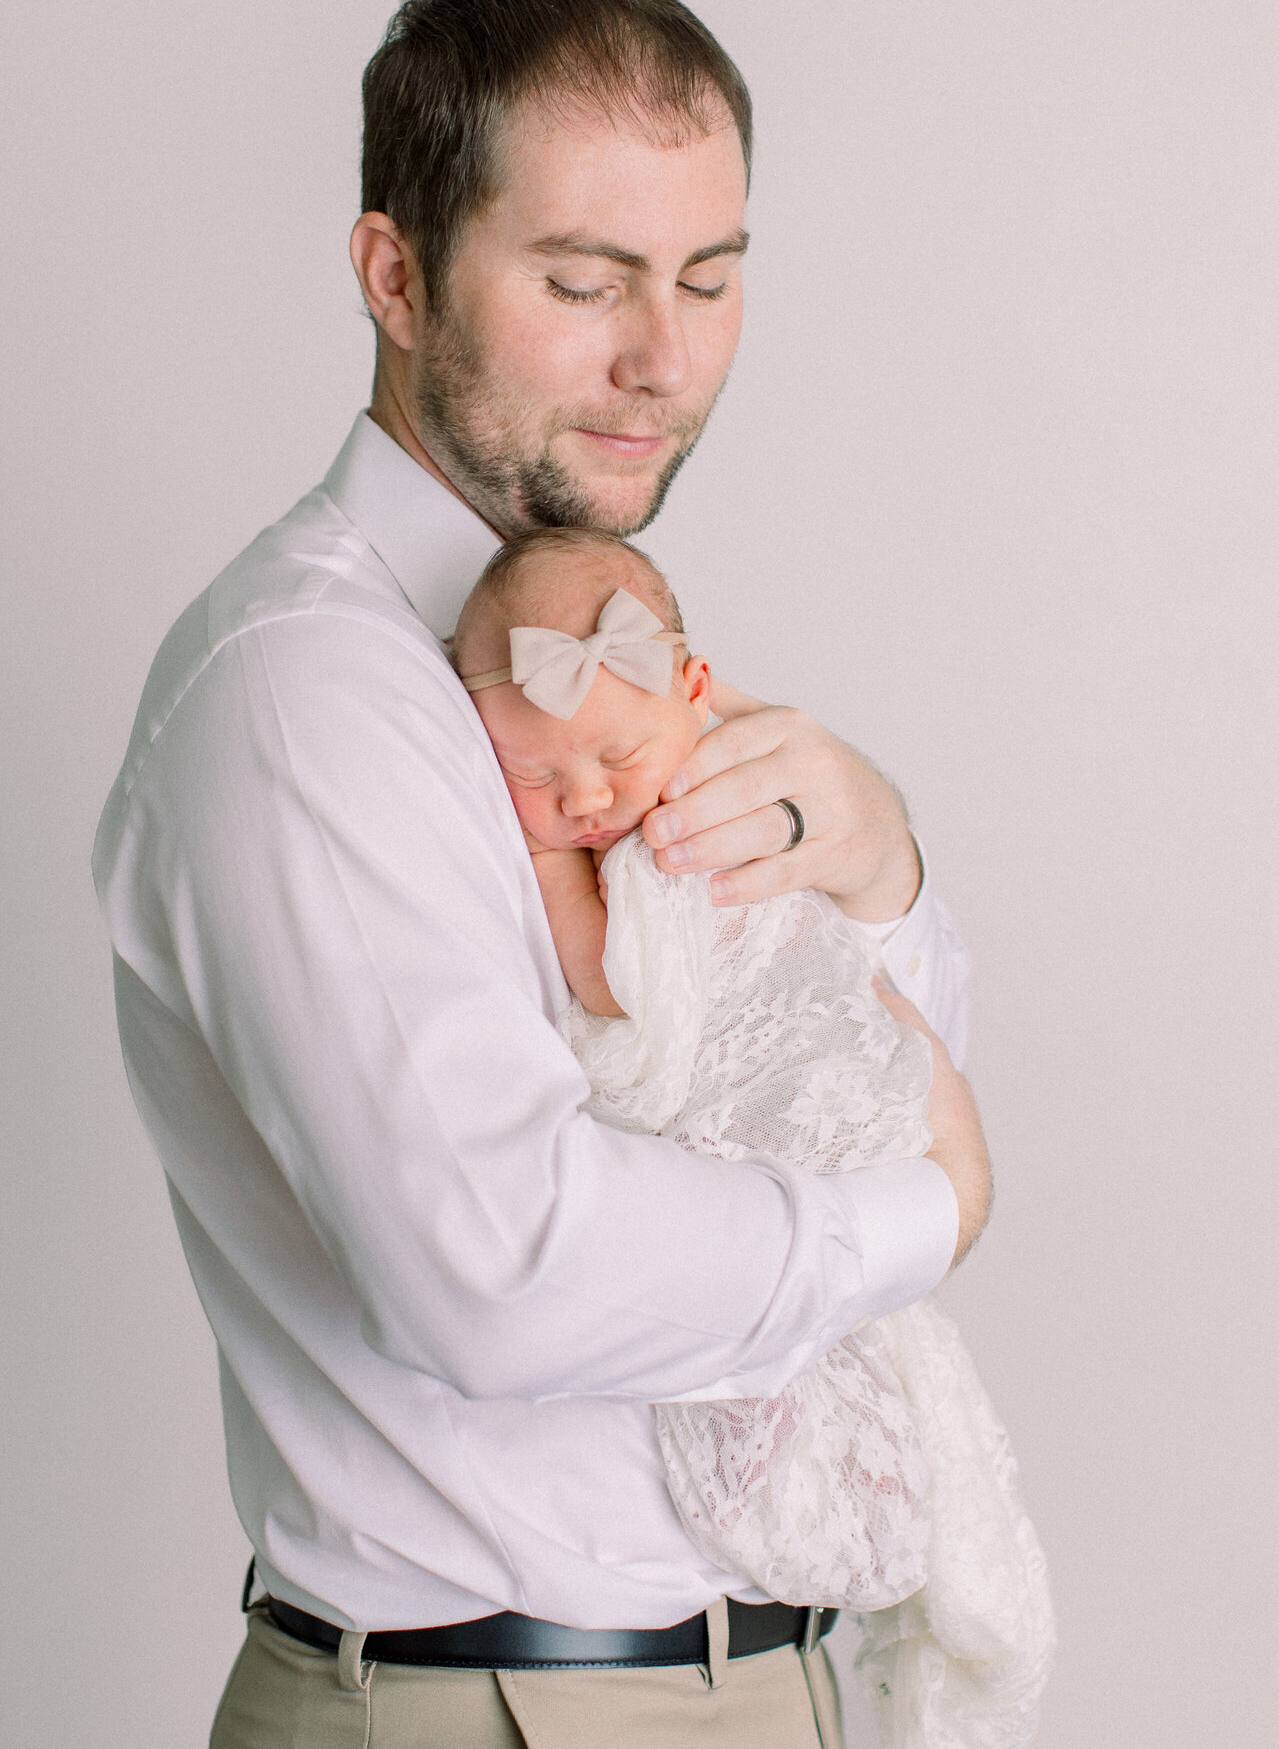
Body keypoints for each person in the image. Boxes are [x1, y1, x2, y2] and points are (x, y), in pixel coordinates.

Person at [93, 0, 991, 1749]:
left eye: (710, 281)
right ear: (397, 275)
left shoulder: (614, 653)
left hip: (773, 1686)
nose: (660, 358)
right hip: (493, 1710)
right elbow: (502, 1266)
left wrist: (885, 862)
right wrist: (919, 1220)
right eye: (585, 283)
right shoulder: (307, 696)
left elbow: (845, 1064)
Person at [453, 527, 1053, 1749]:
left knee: (861, 1360)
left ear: (694, 692)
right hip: (583, 1647)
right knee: (777, 1384)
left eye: (617, 753)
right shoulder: (562, 851)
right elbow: (616, 985)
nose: (586, 798)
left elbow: (833, 971)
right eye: (533, 772)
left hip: (819, 1088)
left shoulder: (745, 789)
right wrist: (551, 866)